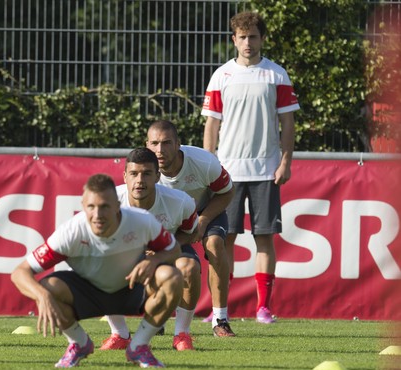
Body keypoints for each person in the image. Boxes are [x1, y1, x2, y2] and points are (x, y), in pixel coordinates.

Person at [11, 174, 183, 368]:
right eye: (91, 207)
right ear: (83, 205)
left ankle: (139, 346)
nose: (97, 214)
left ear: (117, 206)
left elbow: (174, 249)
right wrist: (42, 296)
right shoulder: (71, 231)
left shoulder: (141, 222)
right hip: (88, 293)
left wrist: (155, 259)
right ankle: (78, 343)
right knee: (47, 288)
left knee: (172, 277)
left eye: (104, 207)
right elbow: (20, 272)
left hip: (132, 287)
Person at [202, 11, 300, 323]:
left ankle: (263, 308)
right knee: (224, 239)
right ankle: (221, 310)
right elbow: (211, 126)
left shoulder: (276, 75)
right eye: (242, 37)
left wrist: (285, 162)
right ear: (234, 40)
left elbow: (287, 122)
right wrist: (210, 166)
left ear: (262, 39)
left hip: (266, 170)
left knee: (264, 238)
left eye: (253, 36)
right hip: (227, 174)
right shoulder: (221, 76)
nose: (248, 42)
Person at [101, 147, 201, 351]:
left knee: (189, 267)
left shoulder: (180, 201)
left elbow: (191, 232)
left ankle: (182, 334)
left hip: (168, 250)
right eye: (134, 174)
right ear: (125, 176)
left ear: (157, 176)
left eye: (146, 174)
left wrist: (162, 251)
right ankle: (120, 335)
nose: (139, 180)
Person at [146, 120, 236, 337]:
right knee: (155, 258)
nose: (160, 150)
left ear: (178, 144)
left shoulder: (204, 162)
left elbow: (227, 192)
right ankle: (158, 316)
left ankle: (220, 319)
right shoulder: (142, 170)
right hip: (170, 223)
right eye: (155, 143)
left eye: (166, 143)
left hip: (206, 211)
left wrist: (203, 220)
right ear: (147, 144)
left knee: (215, 244)